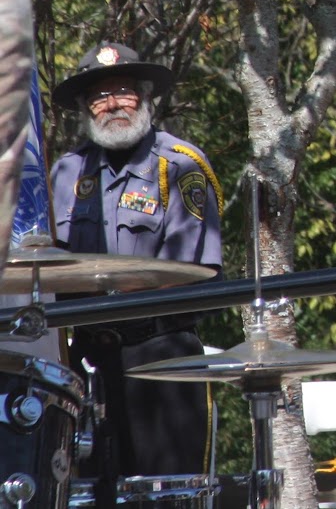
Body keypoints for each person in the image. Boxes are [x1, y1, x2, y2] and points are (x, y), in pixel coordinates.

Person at [49, 43, 222, 495]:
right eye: (99, 97)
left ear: (145, 98)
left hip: (162, 360)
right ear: (86, 111)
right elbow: (45, 270)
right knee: (88, 494)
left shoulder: (181, 165)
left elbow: (190, 270)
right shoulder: (66, 173)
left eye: (122, 92)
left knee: (167, 494)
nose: (112, 105)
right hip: (87, 363)